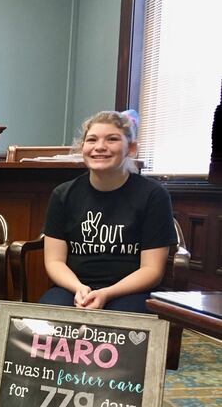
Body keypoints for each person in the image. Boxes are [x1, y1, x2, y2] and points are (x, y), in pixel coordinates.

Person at [40, 110, 177, 313]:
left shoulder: (153, 195)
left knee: (124, 325)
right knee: (44, 320)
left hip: (131, 292)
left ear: (131, 148)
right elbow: (54, 260)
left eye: (112, 139)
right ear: (82, 148)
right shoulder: (63, 194)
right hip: (74, 288)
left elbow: (152, 270)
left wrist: (107, 293)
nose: (100, 147)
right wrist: (78, 288)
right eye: (92, 140)